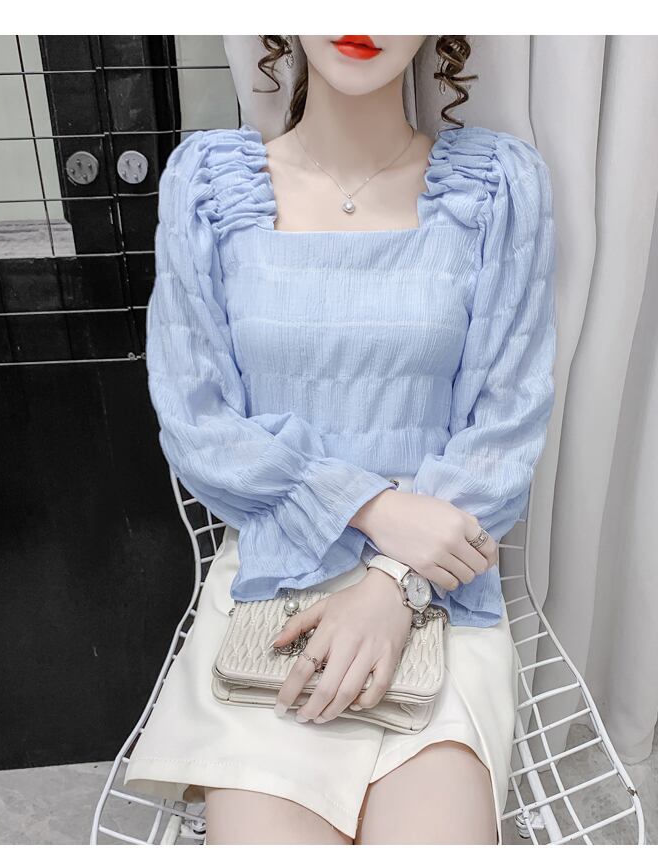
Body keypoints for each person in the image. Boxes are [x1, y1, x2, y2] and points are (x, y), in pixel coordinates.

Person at [123, 35, 557, 844]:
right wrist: (373, 506)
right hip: (276, 582)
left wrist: (395, 583)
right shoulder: (208, 186)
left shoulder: (499, 187)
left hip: (437, 587)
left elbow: (506, 424)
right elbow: (197, 420)